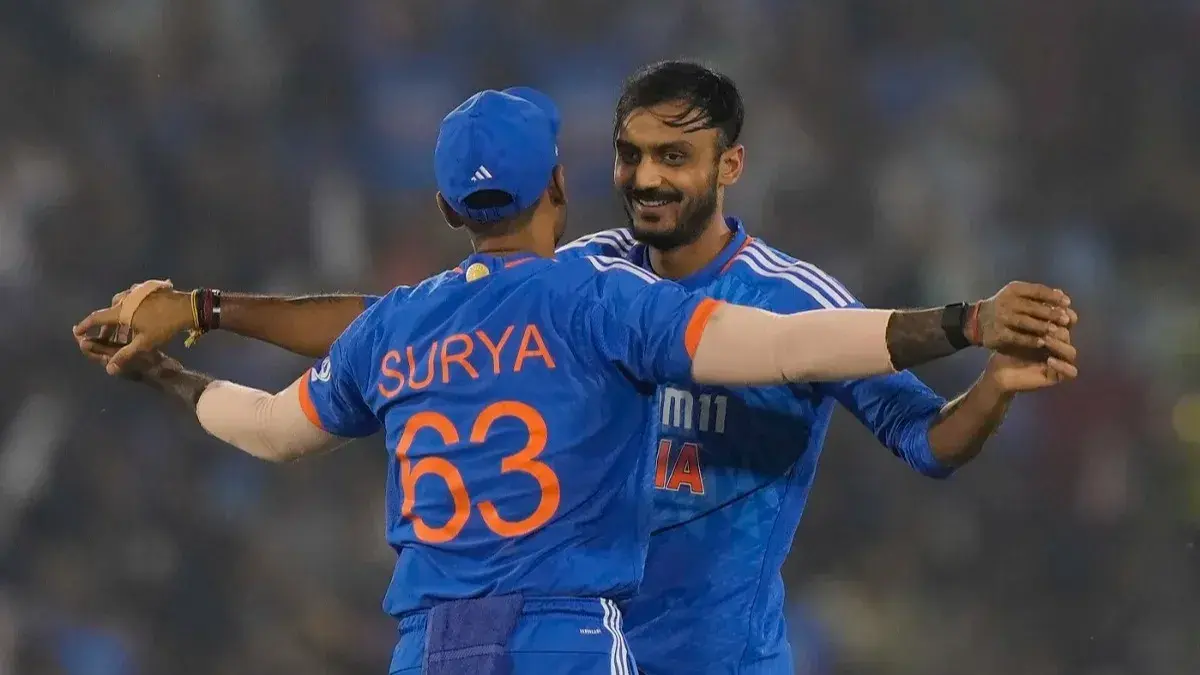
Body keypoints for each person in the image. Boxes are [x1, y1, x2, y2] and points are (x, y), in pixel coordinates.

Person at [75, 81, 1078, 675]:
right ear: (562, 182)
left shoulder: (403, 323)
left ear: (445, 208)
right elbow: (786, 349)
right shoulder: (598, 295)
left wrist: (171, 371)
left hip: (430, 649)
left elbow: (272, 428)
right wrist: (965, 321)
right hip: (568, 637)